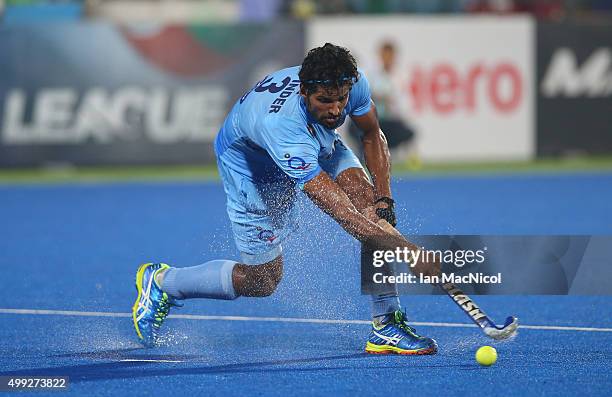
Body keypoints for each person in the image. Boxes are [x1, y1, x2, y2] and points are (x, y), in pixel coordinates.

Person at [132, 43, 439, 355]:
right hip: (250, 163)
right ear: (304, 92)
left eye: (341, 100)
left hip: (313, 136)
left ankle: (386, 325)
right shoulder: (281, 126)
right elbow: (344, 215)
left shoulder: (352, 81)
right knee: (263, 280)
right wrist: (409, 252)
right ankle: (164, 283)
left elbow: (372, 134)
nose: (335, 110)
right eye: (325, 101)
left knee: (370, 206)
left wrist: (385, 200)